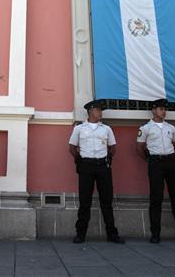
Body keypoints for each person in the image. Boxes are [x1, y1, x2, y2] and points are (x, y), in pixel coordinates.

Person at [136, 98, 175, 244]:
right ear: (153, 110)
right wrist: (151, 159)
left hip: (172, 163)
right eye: (160, 109)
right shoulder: (145, 128)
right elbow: (139, 148)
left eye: (165, 109)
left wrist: (169, 157)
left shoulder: (171, 127)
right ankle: (155, 234)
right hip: (155, 163)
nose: (163, 112)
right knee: (156, 199)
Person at [69, 99, 124, 244]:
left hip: (102, 167)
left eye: (101, 110)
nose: (100, 113)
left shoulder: (106, 129)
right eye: (98, 110)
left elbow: (113, 148)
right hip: (86, 166)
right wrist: (80, 159)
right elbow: (72, 148)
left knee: (106, 201)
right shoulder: (79, 128)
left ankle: (112, 234)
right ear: (91, 111)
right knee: (84, 201)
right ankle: (80, 234)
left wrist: (107, 160)